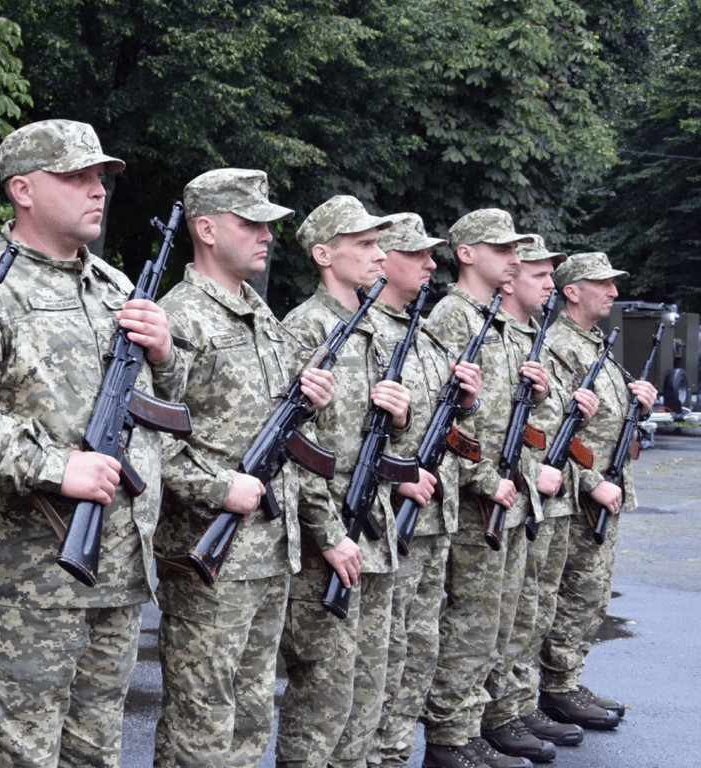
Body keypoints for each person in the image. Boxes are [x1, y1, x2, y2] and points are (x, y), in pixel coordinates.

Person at [0, 119, 183, 768]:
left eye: (100, 177)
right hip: (17, 586)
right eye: (76, 176)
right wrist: (55, 465)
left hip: (116, 574)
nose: (97, 190)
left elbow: (161, 414)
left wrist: (165, 353)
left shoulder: (119, 290)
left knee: (95, 757)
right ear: (24, 190)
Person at [150, 169, 334, 768]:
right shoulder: (177, 319)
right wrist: (220, 487)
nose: (266, 236)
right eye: (250, 223)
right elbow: (150, 444)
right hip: (210, 554)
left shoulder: (263, 318)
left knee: (253, 716)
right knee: (201, 724)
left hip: (269, 552)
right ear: (205, 229)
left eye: (268, 225)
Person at [276, 195, 413, 768]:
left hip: (373, 531)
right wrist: (330, 533)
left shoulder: (372, 329)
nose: (380, 256)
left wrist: (401, 418)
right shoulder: (305, 330)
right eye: (365, 245)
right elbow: (289, 446)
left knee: (366, 687)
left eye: (380, 245)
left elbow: (390, 444)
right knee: (323, 694)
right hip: (327, 541)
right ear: (324, 254)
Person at [422, 210, 560, 768]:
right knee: (471, 619)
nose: (514, 258)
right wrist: (486, 479)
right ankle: (452, 736)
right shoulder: (453, 319)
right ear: (468, 253)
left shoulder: (496, 320)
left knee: (499, 618)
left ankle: (477, 723)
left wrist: (545, 394)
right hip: (476, 495)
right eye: (501, 248)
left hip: (506, 490)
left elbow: (514, 420)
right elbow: (444, 418)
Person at [369, 213, 482, 768]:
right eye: (416, 254)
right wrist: (400, 474)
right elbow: (346, 438)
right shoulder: (352, 326)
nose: (429, 264)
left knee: (418, 646)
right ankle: (378, 755)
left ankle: (395, 754)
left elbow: (444, 427)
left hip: (434, 512)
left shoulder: (422, 332)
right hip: (388, 514)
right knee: (382, 654)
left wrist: (466, 402)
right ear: (381, 258)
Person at [478, 235, 593, 763]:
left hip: (536, 490)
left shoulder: (531, 336)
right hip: (498, 494)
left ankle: (517, 704)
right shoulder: (473, 326)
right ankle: (486, 718)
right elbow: (478, 422)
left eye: (552, 276)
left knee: (530, 609)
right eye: (539, 276)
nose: (549, 284)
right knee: (485, 619)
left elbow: (533, 426)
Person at [538, 252, 656, 729]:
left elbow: (607, 423)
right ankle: (555, 687)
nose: (612, 292)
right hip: (577, 493)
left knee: (591, 596)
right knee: (567, 593)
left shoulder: (594, 344)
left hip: (606, 488)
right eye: (602, 283)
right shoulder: (557, 346)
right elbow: (557, 431)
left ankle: (567, 677)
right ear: (572, 291)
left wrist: (639, 405)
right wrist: (592, 482)